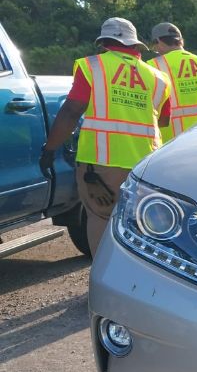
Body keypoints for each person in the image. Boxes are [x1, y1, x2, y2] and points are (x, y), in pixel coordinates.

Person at [40, 17, 171, 255]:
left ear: (104, 43)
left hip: (100, 168)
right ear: (135, 45)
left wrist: (50, 149)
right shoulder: (158, 78)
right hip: (145, 168)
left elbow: (71, 111)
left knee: (102, 221)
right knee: (142, 227)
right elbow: (163, 120)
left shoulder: (93, 67)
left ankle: (106, 284)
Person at [147, 22, 197, 142]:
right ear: (180, 41)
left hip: (168, 145)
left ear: (159, 41)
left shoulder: (152, 67)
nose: (156, 50)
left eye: (154, 46)